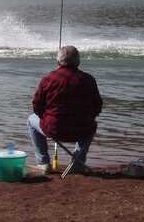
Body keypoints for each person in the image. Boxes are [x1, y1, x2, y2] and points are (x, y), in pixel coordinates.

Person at [27, 46, 103, 174]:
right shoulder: (89, 79)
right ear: (78, 62)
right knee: (91, 125)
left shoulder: (48, 79)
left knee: (31, 120)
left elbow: (36, 106)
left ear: (58, 62)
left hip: (53, 129)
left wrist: (46, 118)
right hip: (81, 130)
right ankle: (78, 163)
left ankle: (43, 163)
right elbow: (97, 107)